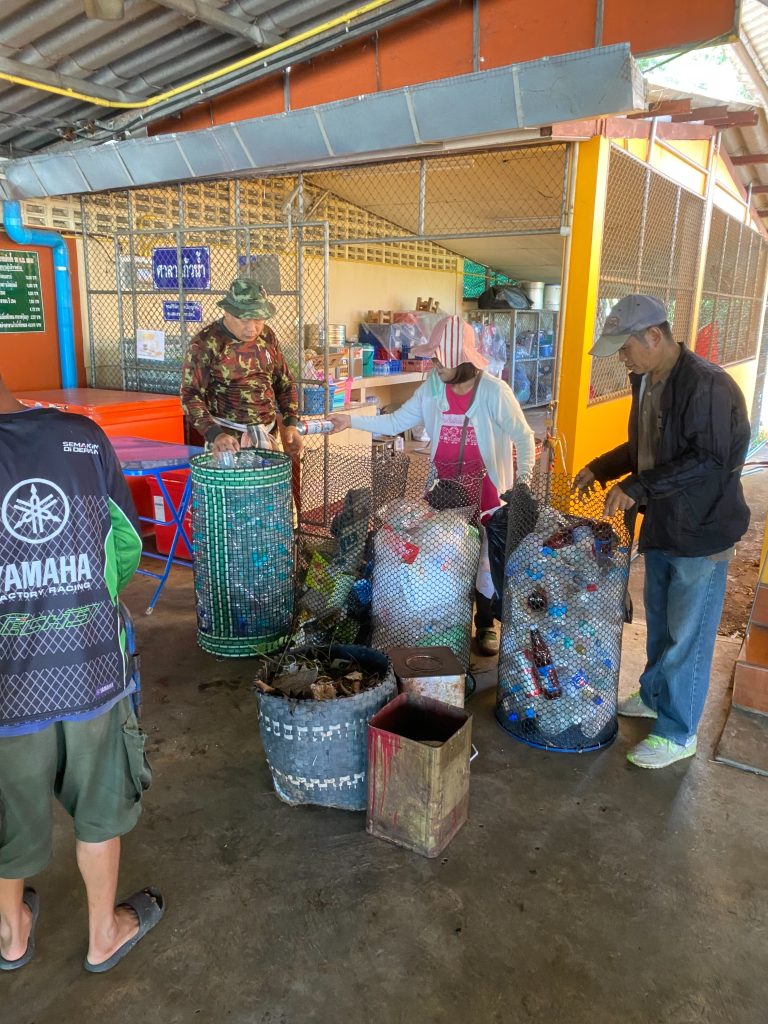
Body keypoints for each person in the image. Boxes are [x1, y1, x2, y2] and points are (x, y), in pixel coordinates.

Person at [0, 379, 164, 972]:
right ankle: (103, 934)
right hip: (88, 667)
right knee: (99, 803)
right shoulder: (82, 438)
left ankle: (12, 934)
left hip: (6, 688)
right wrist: (79, 601)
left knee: (8, 811)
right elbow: (125, 546)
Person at [574, 294, 750, 769]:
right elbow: (646, 447)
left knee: (688, 635)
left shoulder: (707, 385)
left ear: (654, 336)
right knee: (661, 624)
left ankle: (678, 731)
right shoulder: (647, 380)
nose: (622, 358)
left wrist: (640, 486)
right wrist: (603, 468)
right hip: (664, 525)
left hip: (702, 530)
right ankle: (654, 697)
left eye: (626, 347)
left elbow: (708, 460)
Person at [329, 315, 536, 656]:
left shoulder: (494, 392)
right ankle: (450, 621)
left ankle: (485, 622)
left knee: (486, 558)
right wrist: (349, 420)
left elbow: (524, 437)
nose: (434, 366)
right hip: (443, 492)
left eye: (440, 360)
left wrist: (523, 481)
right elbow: (395, 421)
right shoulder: (432, 390)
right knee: (446, 557)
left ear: (459, 358)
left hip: (487, 491)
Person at [181, 277, 303, 457]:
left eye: (258, 319)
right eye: (244, 320)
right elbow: (190, 394)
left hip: (267, 435)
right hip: (227, 443)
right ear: (227, 312)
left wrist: (290, 424)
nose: (252, 328)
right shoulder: (206, 342)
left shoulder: (267, 336)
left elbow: (284, 383)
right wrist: (214, 434)